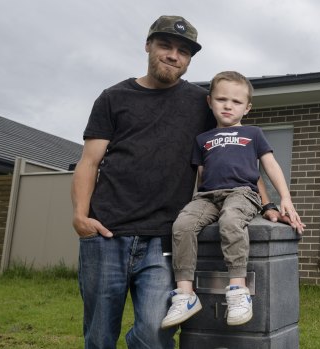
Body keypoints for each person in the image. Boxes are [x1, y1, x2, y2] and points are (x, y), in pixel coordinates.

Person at [71, 16, 302, 349]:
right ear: (149, 45)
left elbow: (240, 158)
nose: (173, 55)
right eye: (165, 45)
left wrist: (267, 205)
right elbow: (88, 162)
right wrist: (80, 216)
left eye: (183, 51)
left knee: (154, 333)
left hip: (163, 238)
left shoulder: (200, 103)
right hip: (107, 233)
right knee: (98, 334)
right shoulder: (113, 97)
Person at [160, 71, 304, 329]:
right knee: (181, 226)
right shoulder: (202, 140)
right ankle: (185, 295)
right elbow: (201, 177)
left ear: (247, 108)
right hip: (207, 196)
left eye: (236, 102)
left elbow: (270, 166)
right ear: (210, 102)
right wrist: (192, 205)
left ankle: (238, 290)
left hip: (242, 194)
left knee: (230, 220)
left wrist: (285, 198)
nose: (228, 106)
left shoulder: (253, 134)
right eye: (221, 99)